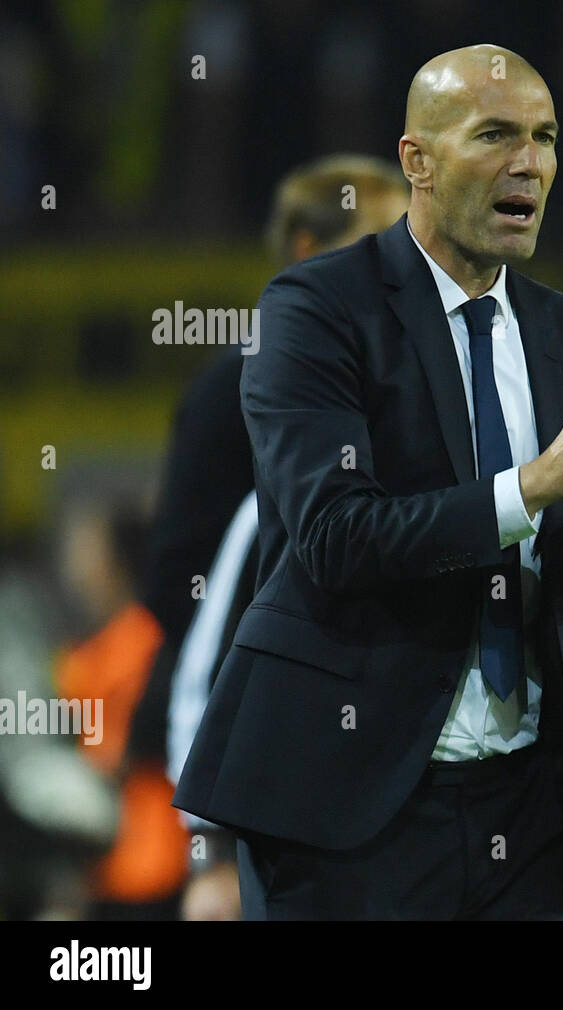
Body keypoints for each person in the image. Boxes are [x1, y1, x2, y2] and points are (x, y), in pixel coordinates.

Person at [173, 43, 563, 920]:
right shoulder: (313, 311)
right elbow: (337, 538)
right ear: (416, 161)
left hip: (522, 805)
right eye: (495, 134)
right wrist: (529, 487)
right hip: (351, 807)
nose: (528, 163)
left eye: (544, 137)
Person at [140, 155, 411, 921]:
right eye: (375, 244)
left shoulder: (396, 385)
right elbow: (180, 580)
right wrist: (218, 829)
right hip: (251, 745)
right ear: (304, 246)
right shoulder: (236, 387)